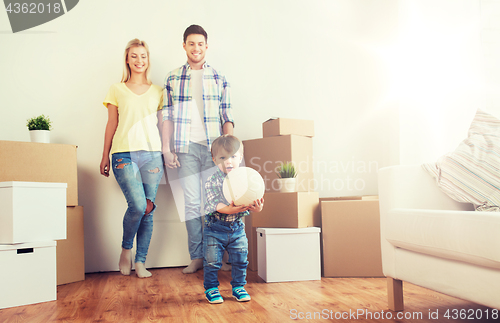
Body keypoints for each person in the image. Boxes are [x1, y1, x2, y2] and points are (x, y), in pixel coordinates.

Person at [162, 25, 234, 274]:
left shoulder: (219, 77)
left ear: (206, 46)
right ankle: (197, 256)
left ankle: (218, 256)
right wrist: (166, 149)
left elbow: (227, 114)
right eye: (191, 43)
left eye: (200, 43)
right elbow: (167, 117)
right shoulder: (172, 78)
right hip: (186, 148)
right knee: (192, 204)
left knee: (218, 202)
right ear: (184, 45)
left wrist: (229, 152)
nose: (196, 48)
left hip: (214, 148)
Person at [100, 39, 164, 278]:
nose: (139, 60)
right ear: (127, 59)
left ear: (148, 60)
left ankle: (141, 262)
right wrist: (104, 154)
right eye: (134, 56)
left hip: (152, 155)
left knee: (147, 208)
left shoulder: (159, 91)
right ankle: (126, 250)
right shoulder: (116, 89)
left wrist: (167, 153)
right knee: (137, 205)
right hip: (123, 153)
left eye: (143, 56)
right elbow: (111, 123)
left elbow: (164, 125)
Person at [203, 134, 264, 304]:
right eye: (223, 157)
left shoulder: (246, 179)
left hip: (237, 228)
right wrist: (230, 209)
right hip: (214, 229)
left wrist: (257, 207)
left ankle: (238, 286)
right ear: (215, 160)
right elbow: (216, 205)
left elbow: (251, 201)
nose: (228, 161)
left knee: (240, 259)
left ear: (240, 158)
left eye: (233, 157)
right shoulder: (212, 180)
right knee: (212, 261)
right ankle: (211, 288)